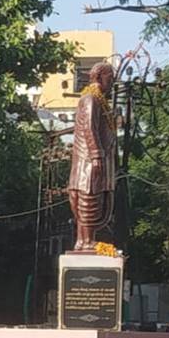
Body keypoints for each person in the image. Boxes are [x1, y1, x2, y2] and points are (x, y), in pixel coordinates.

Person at [67, 61, 117, 252]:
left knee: (91, 199)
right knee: (88, 198)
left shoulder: (97, 100)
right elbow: (89, 128)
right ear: (98, 78)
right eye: (109, 78)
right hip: (89, 162)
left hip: (92, 162)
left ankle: (84, 240)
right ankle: (86, 241)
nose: (111, 83)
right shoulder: (91, 99)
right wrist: (97, 156)